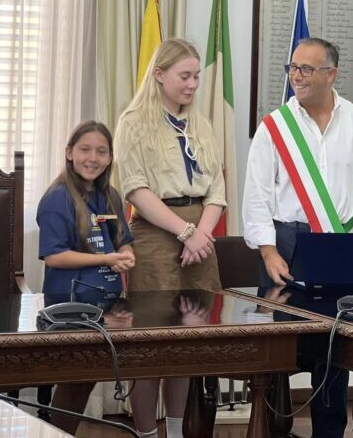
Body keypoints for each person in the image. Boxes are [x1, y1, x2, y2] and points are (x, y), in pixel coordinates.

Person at [242, 37, 353, 438]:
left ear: (332, 74)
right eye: (292, 68)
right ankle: (275, 431)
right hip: (287, 246)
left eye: (306, 69)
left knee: (336, 349)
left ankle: (329, 432)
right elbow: (256, 197)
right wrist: (268, 252)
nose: (296, 76)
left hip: (343, 246)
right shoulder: (275, 128)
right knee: (279, 347)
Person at [115, 38, 226, 438]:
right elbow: (135, 190)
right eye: (185, 76)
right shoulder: (133, 122)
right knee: (151, 344)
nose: (193, 84)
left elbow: (217, 189)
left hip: (200, 239)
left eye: (197, 76)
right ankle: (147, 433)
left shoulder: (201, 123)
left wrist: (201, 235)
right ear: (159, 75)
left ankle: (176, 432)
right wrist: (184, 232)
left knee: (188, 342)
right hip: (157, 234)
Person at [36, 120, 135, 434]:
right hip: (69, 305)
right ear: (69, 153)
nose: (93, 158)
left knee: (87, 379)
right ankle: (57, 432)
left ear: (110, 157)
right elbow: (54, 256)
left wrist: (126, 255)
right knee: (76, 379)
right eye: (85, 150)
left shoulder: (111, 195)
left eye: (101, 151)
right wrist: (106, 258)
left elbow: (123, 240)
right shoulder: (57, 198)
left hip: (108, 304)